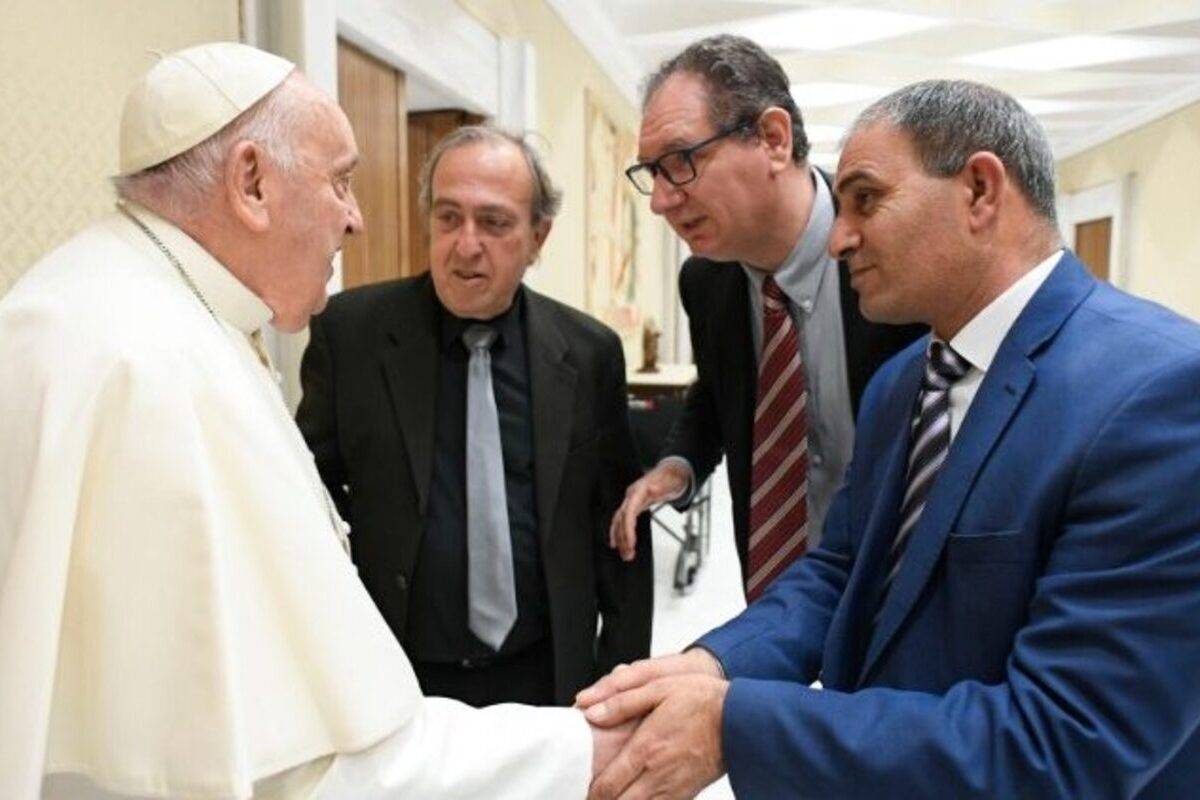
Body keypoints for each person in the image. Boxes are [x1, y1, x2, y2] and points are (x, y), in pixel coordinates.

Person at [0, 41, 628, 800]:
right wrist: (588, 750)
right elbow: (286, 768)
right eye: (340, 181)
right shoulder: (146, 362)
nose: (357, 218)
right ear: (252, 182)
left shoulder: (146, 313)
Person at [579, 79, 1200, 799]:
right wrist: (714, 665)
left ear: (978, 191)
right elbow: (840, 570)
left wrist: (736, 723)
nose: (838, 239)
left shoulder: (1158, 393)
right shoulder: (905, 381)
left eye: (865, 200)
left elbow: (1062, 744)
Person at [295, 125, 653, 708]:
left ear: (538, 237)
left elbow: (617, 536)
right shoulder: (351, 335)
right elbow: (306, 498)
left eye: (494, 222)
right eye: (448, 217)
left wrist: (621, 687)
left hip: (545, 678)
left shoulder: (589, 354)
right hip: (398, 678)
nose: (466, 245)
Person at [609, 35, 922, 601]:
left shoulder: (896, 254)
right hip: (778, 595)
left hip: (898, 587)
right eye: (651, 173)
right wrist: (679, 464)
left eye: (681, 163)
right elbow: (722, 389)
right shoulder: (705, 282)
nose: (658, 201)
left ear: (774, 140)